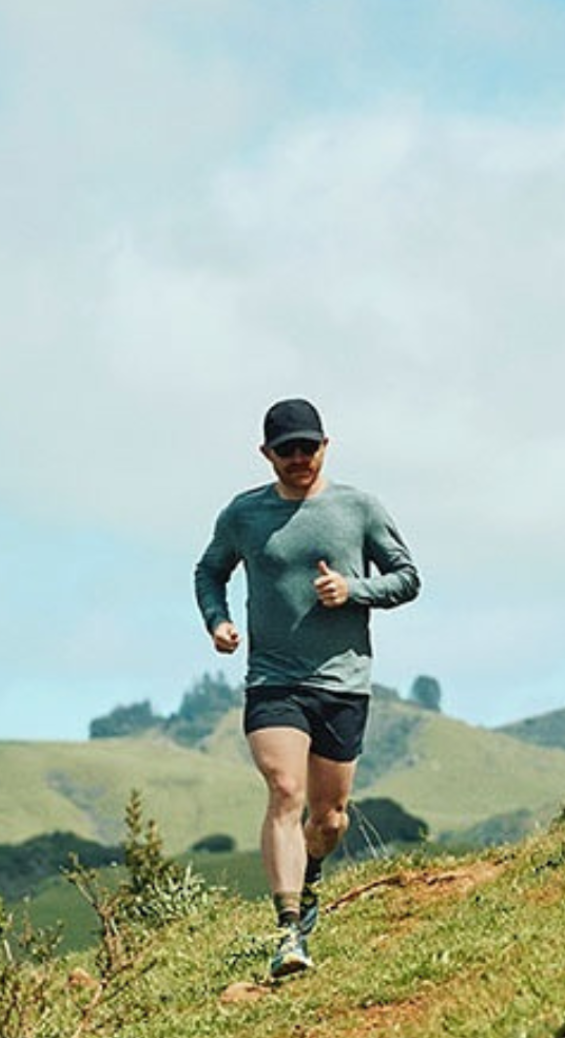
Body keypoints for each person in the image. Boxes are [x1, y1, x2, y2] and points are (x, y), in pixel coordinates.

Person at [193, 397, 420, 978]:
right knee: (284, 789)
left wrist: (354, 590)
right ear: (266, 454)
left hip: (343, 682)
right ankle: (289, 931)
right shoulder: (243, 515)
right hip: (273, 680)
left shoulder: (359, 508)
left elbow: (407, 577)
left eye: (308, 447)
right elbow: (209, 570)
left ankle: (312, 873)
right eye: (286, 449)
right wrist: (217, 621)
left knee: (330, 818)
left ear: (325, 446)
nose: (298, 458)